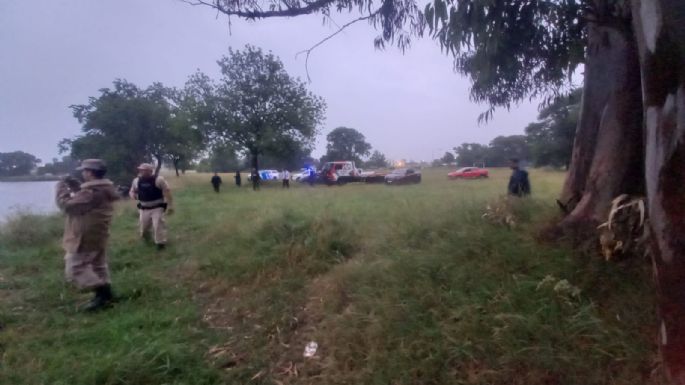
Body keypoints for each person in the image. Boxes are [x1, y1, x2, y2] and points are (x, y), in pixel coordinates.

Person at [55, 159, 118, 312]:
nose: (82, 173)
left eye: (84, 171)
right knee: (98, 265)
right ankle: (107, 296)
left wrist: (60, 187)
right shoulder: (103, 188)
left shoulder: (92, 192)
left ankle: (102, 294)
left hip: (85, 237)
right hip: (98, 234)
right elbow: (84, 199)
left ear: (90, 172)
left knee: (74, 268)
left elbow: (67, 206)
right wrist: (75, 185)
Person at [129, 163, 174, 250]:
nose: (141, 171)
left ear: (150, 171)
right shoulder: (136, 181)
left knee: (158, 225)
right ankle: (146, 238)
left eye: (144, 170)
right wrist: (132, 195)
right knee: (144, 227)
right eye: (140, 170)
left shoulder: (159, 180)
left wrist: (170, 206)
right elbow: (132, 191)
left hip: (157, 207)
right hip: (143, 208)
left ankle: (160, 243)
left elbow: (167, 192)